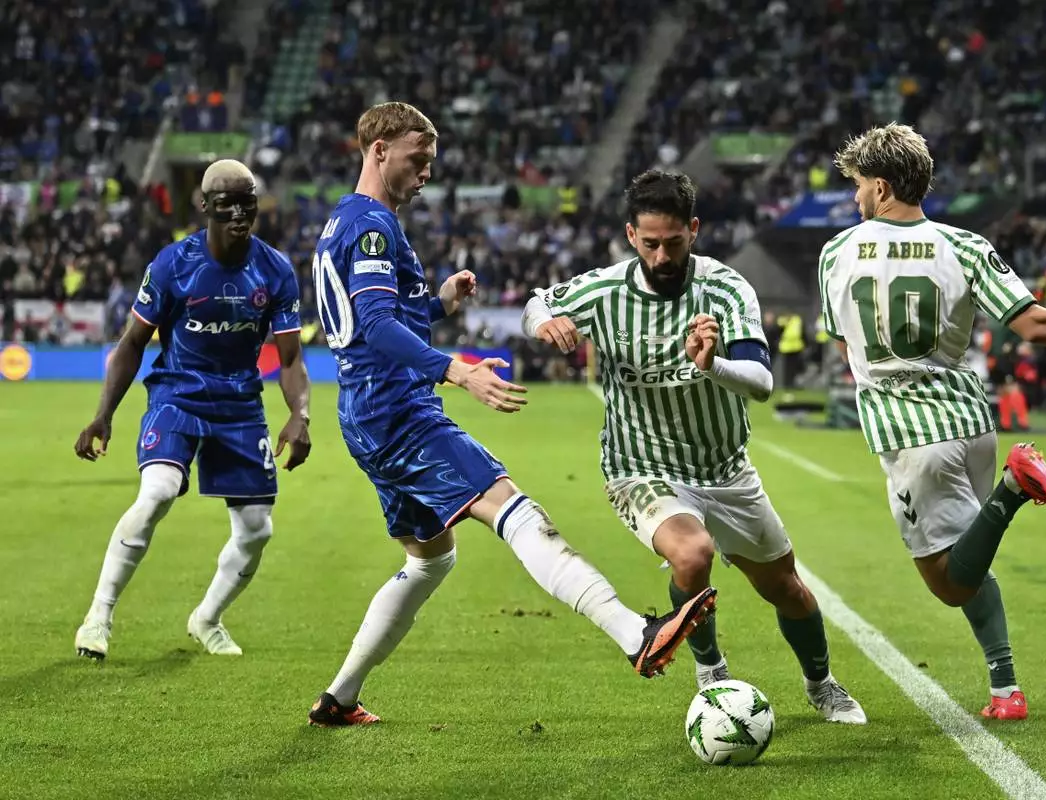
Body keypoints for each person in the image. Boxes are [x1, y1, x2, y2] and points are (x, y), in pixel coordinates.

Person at [306, 102, 715, 727]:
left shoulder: (345, 219)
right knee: (515, 509)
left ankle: (340, 698)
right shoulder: (372, 226)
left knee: (431, 559)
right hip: (397, 410)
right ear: (379, 149)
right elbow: (376, 325)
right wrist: (458, 369)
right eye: (418, 159)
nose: (426, 173)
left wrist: (439, 303)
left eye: (431, 162)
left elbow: (375, 317)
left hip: (366, 411)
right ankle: (634, 633)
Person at [818, 122, 1046, 720]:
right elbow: (1034, 323)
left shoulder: (837, 252)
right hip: (971, 421)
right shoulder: (965, 246)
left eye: (859, 185)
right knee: (969, 553)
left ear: (881, 188)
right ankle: (1005, 689)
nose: (855, 197)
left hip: (911, 435)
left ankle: (1015, 486)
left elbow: (843, 344)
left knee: (949, 582)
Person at [521, 169, 867, 725]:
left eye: (673, 243)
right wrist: (546, 322)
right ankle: (711, 672)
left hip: (726, 470)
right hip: (641, 467)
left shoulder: (726, 289)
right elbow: (537, 302)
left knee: (788, 590)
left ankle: (821, 684)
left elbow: (762, 382)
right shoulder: (606, 291)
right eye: (650, 243)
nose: (661, 256)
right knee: (692, 554)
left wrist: (713, 364)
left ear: (694, 230)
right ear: (631, 236)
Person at [73, 159, 312, 660]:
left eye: (248, 203)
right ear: (204, 206)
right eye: (227, 204)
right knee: (157, 492)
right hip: (178, 394)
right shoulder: (172, 265)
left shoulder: (275, 270)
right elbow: (132, 343)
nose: (239, 214)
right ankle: (98, 616)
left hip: (240, 403)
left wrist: (300, 414)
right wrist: (103, 414)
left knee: (257, 530)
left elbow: (291, 359)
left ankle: (207, 618)